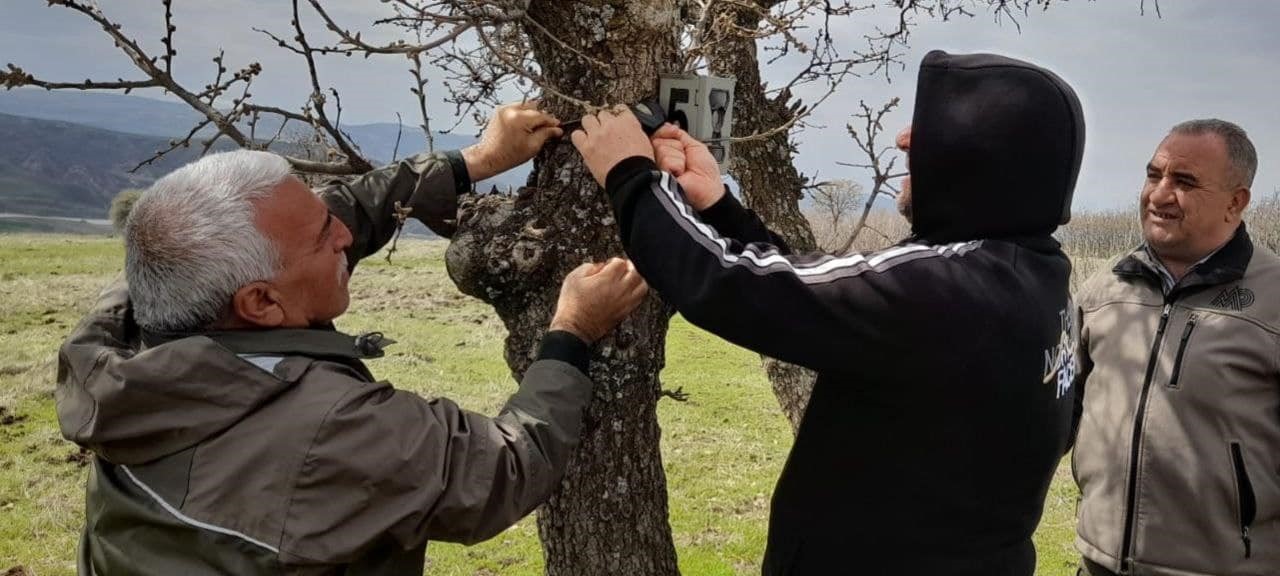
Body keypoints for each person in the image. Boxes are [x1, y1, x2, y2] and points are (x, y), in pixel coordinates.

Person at [55, 101, 649, 575]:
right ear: (261, 303)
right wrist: (572, 332)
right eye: (322, 238)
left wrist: (471, 161)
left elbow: (329, 214)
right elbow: (503, 467)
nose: (344, 234)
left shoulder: (132, 324)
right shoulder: (328, 429)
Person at [571, 50, 1086, 574]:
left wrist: (629, 173)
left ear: (980, 156)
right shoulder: (1038, 277)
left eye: (932, 129)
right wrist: (717, 205)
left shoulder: (952, 289)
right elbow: (820, 295)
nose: (904, 141)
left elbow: (733, 287)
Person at [1071, 119, 1278, 576]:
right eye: (1153, 175)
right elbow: (1058, 418)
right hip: (1097, 563)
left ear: (1236, 202)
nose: (1159, 195)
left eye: (1184, 182)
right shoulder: (1103, 289)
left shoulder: (1274, 300)